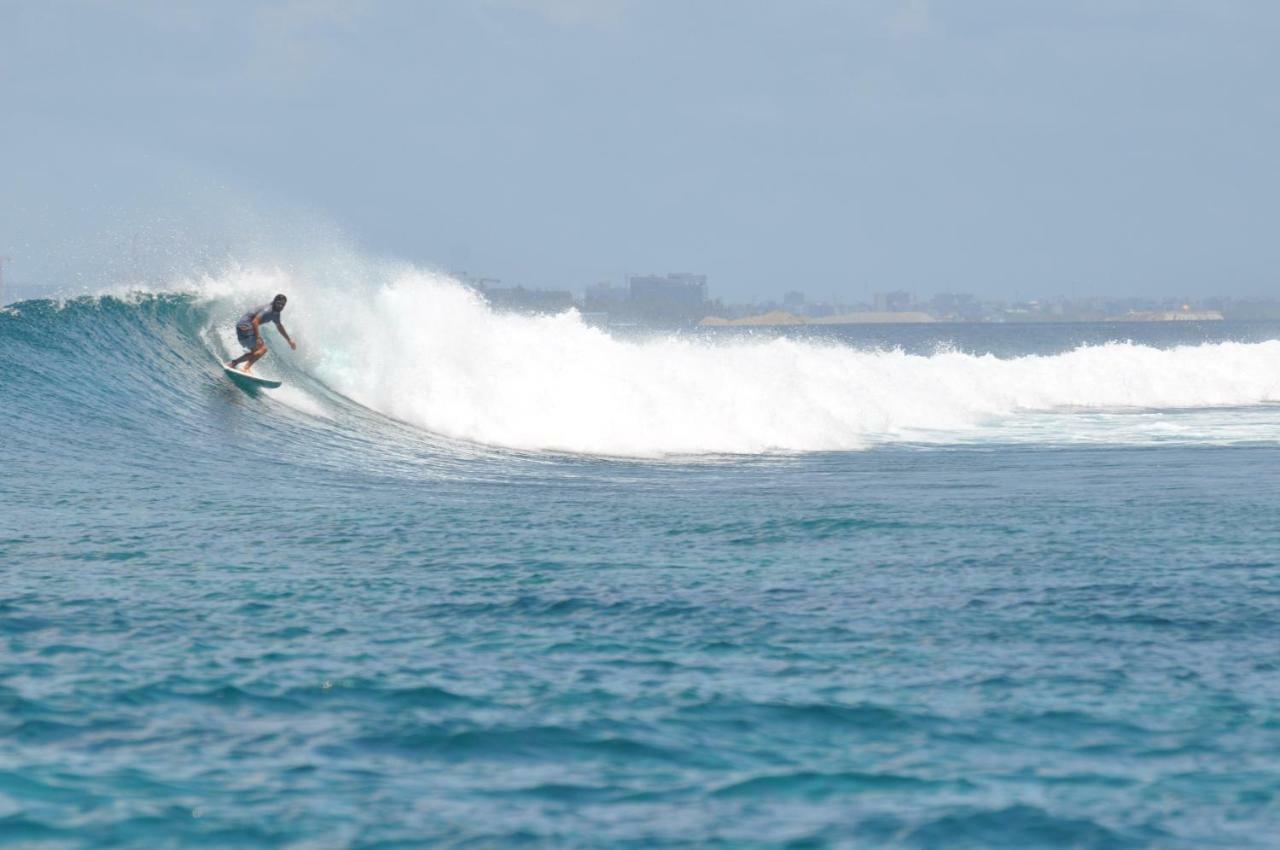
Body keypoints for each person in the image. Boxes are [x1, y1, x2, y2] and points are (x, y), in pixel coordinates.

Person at [228, 293, 296, 373]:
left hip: (243, 327)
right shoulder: (268, 310)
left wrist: (289, 340)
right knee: (263, 349)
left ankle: (233, 363)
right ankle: (246, 368)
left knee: (255, 353)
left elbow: (279, 326)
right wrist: (257, 337)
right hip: (246, 327)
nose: (280, 306)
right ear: (274, 301)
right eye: (279, 303)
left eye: (283, 305)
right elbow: (255, 321)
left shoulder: (276, 312)